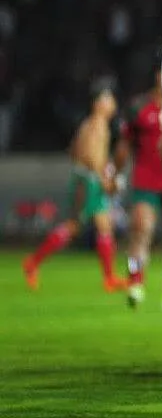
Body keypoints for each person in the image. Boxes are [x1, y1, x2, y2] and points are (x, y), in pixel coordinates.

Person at [22, 88, 127, 292]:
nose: (112, 103)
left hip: (83, 178)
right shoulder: (98, 125)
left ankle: (109, 278)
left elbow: (73, 149)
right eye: (108, 99)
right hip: (89, 181)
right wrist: (103, 178)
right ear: (98, 103)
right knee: (74, 226)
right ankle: (32, 262)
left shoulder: (87, 124)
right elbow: (92, 156)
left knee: (102, 226)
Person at [115, 57, 162, 311]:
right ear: (156, 75)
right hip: (146, 179)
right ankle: (135, 280)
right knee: (140, 228)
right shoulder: (139, 107)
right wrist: (115, 172)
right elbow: (124, 143)